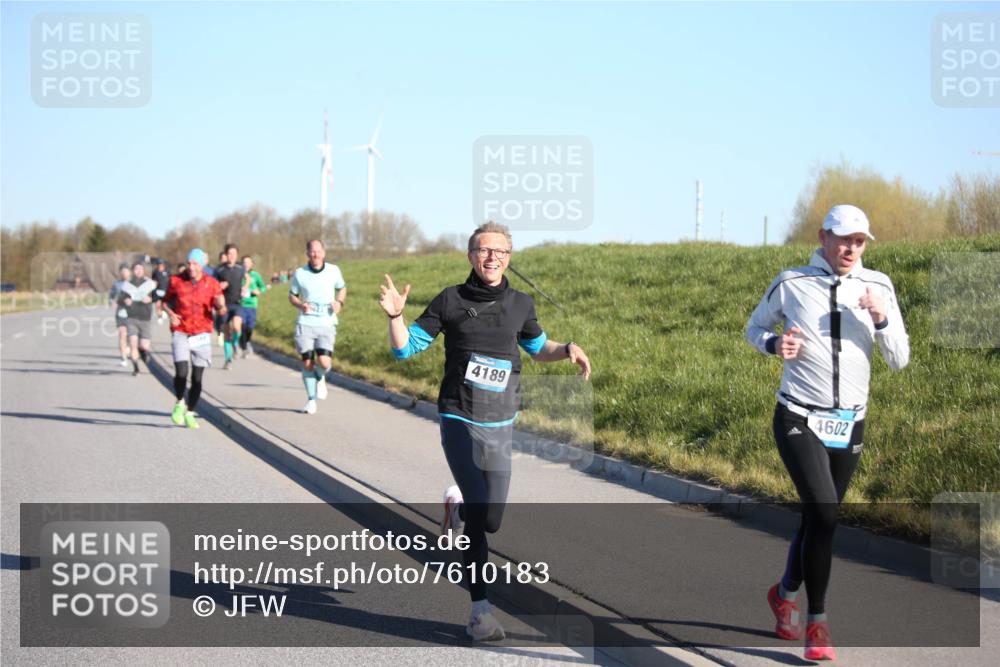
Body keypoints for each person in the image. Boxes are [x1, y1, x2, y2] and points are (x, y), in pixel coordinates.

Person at [379, 221, 592, 641]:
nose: (491, 257)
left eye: (500, 251)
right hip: (459, 416)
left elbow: (538, 348)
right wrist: (396, 317)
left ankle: (455, 510)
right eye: (483, 250)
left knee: (489, 519)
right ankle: (480, 612)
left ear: (509, 257)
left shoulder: (520, 304)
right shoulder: (451, 300)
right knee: (481, 516)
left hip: (501, 423)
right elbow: (405, 348)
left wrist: (567, 350)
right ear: (471, 256)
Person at [745, 204, 909, 661]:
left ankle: (783, 593)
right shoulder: (792, 282)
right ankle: (817, 624)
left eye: (859, 242)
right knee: (826, 513)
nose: (851, 249)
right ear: (823, 238)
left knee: (818, 518)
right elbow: (754, 328)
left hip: (849, 421)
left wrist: (880, 319)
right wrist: (775, 344)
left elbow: (899, 358)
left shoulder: (880, 286)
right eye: (843, 239)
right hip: (798, 415)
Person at [161, 248, 226, 429]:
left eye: (194, 263)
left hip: (202, 333)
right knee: (181, 371)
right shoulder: (176, 281)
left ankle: (190, 411)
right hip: (181, 329)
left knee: (197, 377)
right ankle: (180, 401)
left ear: (202, 265)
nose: (190, 267)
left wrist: (220, 307)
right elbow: (165, 302)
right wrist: (170, 313)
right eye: (189, 263)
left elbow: (222, 309)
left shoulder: (212, 283)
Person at [288, 240, 346, 414]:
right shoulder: (300, 273)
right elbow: (292, 296)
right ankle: (311, 400)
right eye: (312, 251)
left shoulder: (333, 271)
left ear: (324, 252)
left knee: (324, 362)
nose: (316, 254)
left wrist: (339, 302)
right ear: (307, 253)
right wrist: (300, 305)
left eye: (318, 251)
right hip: (305, 323)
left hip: (326, 323)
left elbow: (342, 288)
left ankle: (320, 376)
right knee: (307, 362)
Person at [118, 260, 157, 376]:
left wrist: (151, 299)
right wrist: (126, 300)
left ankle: (143, 353)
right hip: (132, 317)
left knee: (144, 345)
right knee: (133, 343)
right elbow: (120, 299)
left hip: (145, 317)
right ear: (133, 271)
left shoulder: (149, 284)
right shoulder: (127, 285)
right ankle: (136, 368)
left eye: (140, 269)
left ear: (143, 270)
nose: (138, 271)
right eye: (136, 269)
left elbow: (157, 297)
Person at [214, 244, 246, 369]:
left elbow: (247, 278)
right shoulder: (219, 270)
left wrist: (245, 287)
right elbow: (213, 285)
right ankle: (228, 359)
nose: (232, 256)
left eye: (234, 253)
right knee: (227, 332)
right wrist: (219, 286)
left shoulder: (240, 268)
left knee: (237, 327)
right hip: (224, 305)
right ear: (226, 255)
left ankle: (236, 344)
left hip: (237, 303)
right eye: (229, 254)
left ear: (237, 255)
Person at [238, 255, 268, 358]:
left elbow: (263, 287)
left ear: (251, 264)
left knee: (250, 327)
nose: (246, 264)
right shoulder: (239, 274)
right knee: (242, 326)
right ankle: (243, 346)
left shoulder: (255, 275)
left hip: (252, 305)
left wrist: (258, 291)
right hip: (241, 304)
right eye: (244, 262)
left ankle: (247, 342)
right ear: (242, 264)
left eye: (248, 262)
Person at [109, 264, 131, 367]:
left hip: (133, 313)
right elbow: (111, 296)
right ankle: (123, 357)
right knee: (122, 333)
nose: (124, 274)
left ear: (129, 273)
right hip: (121, 312)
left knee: (130, 335)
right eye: (122, 272)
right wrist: (112, 302)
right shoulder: (116, 284)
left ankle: (128, 346)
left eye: (126, 272)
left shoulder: (134, 283)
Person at [151, 258, 171, 324]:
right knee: (158, 305)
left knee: (164, 304)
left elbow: (170, 280)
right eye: (159, 264)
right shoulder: (155, 272)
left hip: (165, 290)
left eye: (161, 264)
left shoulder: (167, 272)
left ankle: (163, 312)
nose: (160, 266)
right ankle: (159, 317)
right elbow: (153, 281)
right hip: (158, 291)